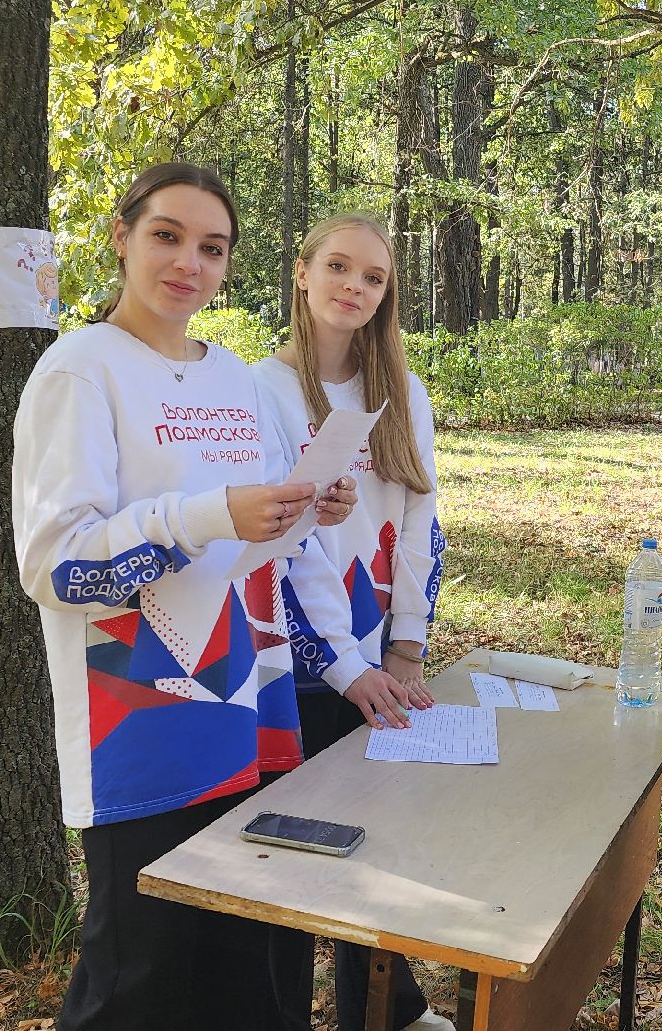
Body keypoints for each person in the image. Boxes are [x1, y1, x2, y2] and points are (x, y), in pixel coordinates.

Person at [11, 162, 371, 1030]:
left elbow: (245, 548)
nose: (189, 264)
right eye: (167, 236)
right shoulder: (79, 371)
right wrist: (211, 511)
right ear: (120, 237)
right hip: (138, 717)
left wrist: (298, 512)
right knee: (139, 976)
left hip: (249, 706)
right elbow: (57, 568)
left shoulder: (234, 378)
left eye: (212, 248)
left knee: (244, 964)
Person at [254, 214, 453, 1031]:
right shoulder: (259, 389)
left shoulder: (400, 391)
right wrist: (343, 667)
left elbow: (420, 521)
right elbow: (282, 554)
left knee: (376, 830)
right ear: (301, 273)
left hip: (380, 648)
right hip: (296, 662)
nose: (354, 288)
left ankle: (386, 1011)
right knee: (298, 845)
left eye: (373, 278)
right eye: (338, 267)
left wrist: (406, 645)